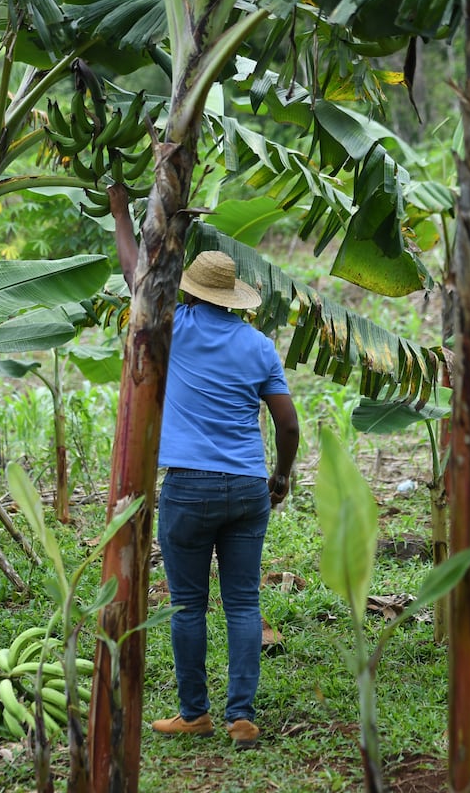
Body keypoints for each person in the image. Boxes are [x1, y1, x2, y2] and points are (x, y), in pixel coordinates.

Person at [125, 250, 299, 750]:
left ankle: (194, 714)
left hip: (189, 487)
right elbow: (287, 424)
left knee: (187, 606)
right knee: (244, 603)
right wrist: (281, 476)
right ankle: (241, 718)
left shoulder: (172, 327)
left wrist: (119, 210)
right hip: (248, 488)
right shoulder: (259, 344)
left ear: (191, 290)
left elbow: (136, 274)